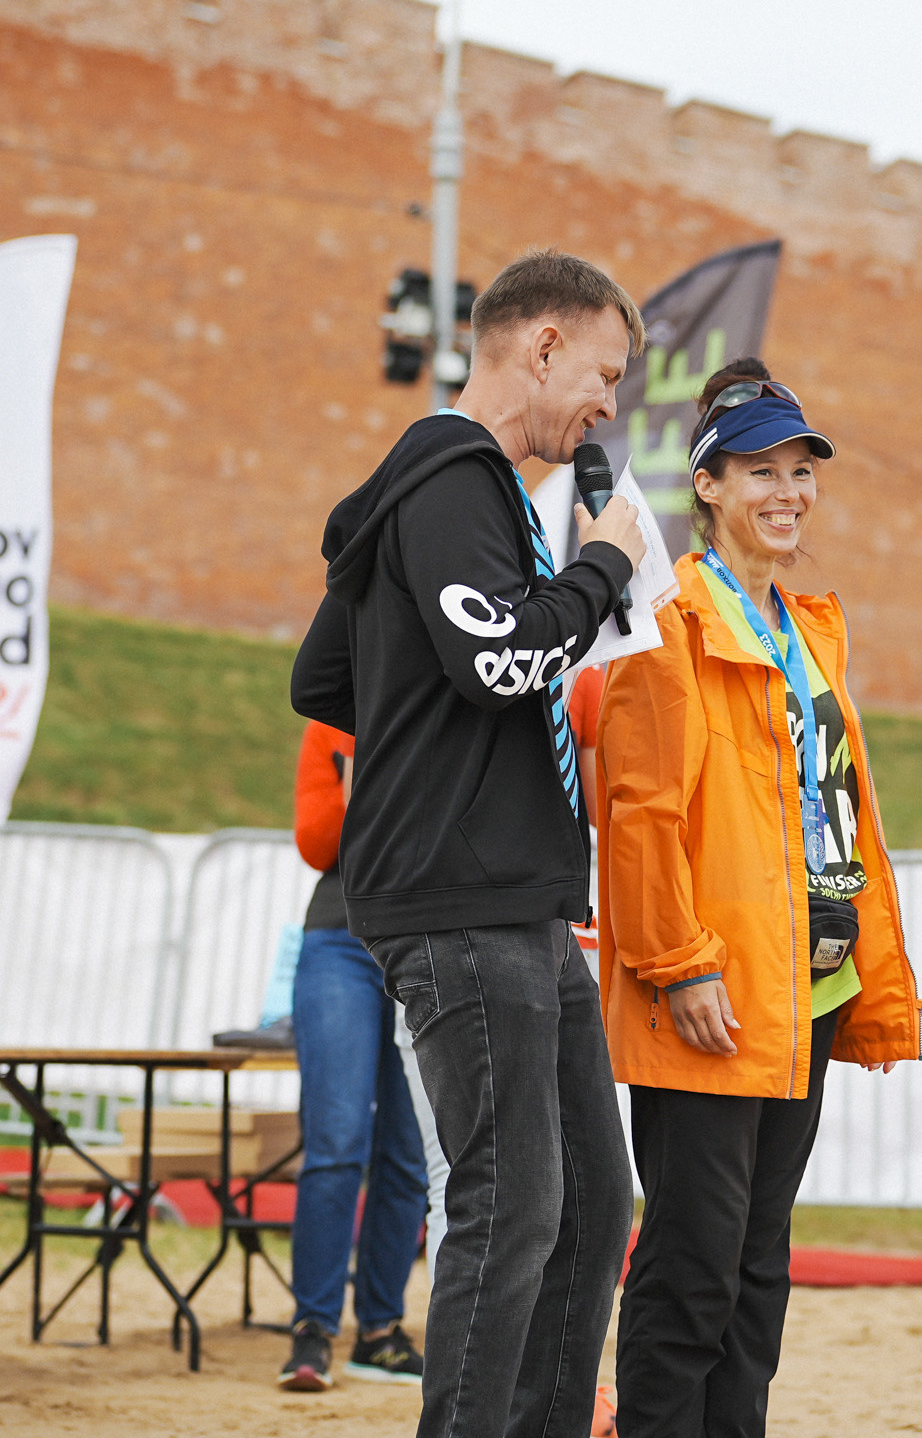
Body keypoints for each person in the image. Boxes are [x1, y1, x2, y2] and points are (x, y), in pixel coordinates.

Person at [290, 248, 648, 1438]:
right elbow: (498, 657)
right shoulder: (451, 473)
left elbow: (322, 676)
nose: (607, 405)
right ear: (539, 344)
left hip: (518, 895)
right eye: (602, 372)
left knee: (594, 1197)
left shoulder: (441, 497)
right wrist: (604, 566)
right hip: (460, 896)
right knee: (513, 1203)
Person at [598, 362, 922, 1438]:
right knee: (693, 1267)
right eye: (760, 472)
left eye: (801, 471)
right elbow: (640, 815)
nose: (787, 491)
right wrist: (680, 962)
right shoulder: (673, 620)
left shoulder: (810, 629)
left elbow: (834, 813)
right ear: (709, 486)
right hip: (712, 990)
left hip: (804, 995)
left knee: (756, 1270)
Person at [278, 720, 430, 1391]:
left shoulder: (448, 703)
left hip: (426, 942)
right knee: (336, 1139)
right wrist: (369, 771)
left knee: (407, 1151)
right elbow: (317, 843)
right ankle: (311, 1330)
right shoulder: (333, 724)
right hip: (338, 940)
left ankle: (380, 1331)